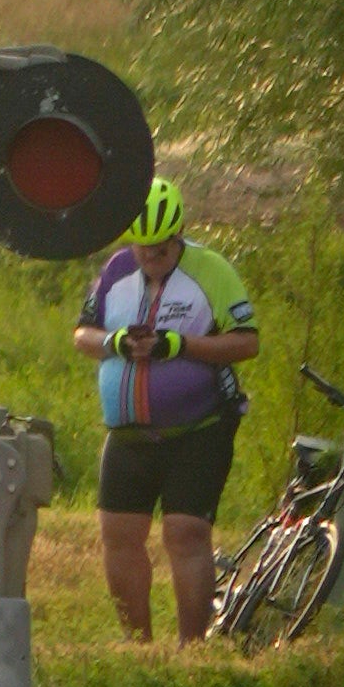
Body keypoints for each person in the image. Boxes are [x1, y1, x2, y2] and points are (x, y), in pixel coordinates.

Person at [77, 173, 258, 646]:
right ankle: (140, 650)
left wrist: (178, 345)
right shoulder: (116, 270)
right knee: (119, 536)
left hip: (197, 430)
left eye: (158, 249)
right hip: (128, 433)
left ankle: (191, 650)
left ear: (177, 237)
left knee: (185, 534)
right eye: (139, 247)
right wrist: (116, 342)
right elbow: (83, 335)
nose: (148, 257)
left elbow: (246, 342)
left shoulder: (211, 270)